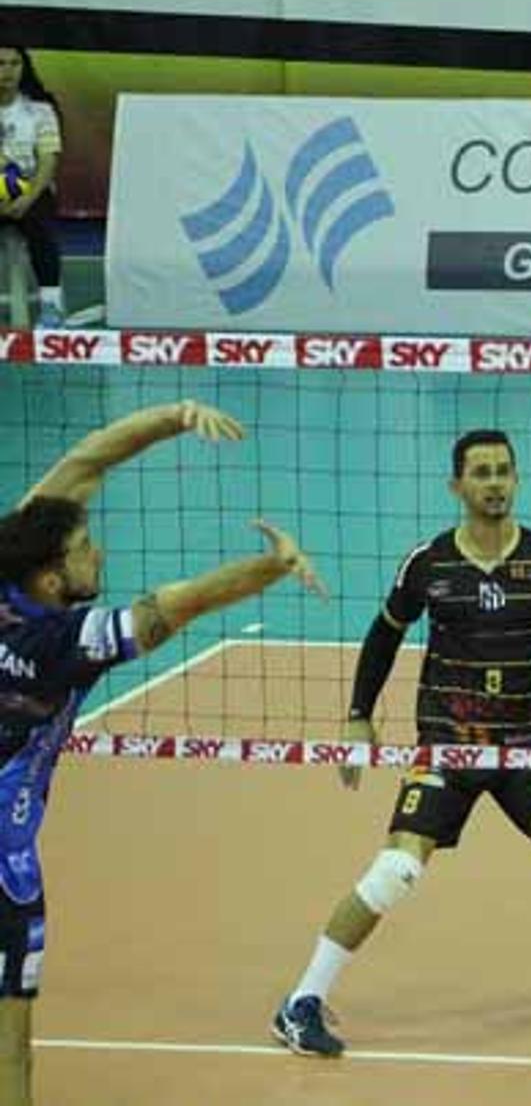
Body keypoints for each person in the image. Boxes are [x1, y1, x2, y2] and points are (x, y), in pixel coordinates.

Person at [272, 430, 531, 1057]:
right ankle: (301, 1003)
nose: (495, 483)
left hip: (523, 741)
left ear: (516, 479)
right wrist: (358, 716)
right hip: (450, 743)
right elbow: (383, 638)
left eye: (504, 471)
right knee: (396, 870)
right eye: (481, 473)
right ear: (456, 485)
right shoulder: (429, 564)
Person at [0, 400, 322, 1104]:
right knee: (13, 1046)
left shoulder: (10, 563)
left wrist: (175, 415)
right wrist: (272, 566)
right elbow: (178, 606)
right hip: (4, 862)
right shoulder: (60, 644)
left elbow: (86, 461)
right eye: (87, 548)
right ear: (53, 578)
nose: (101, 552)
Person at [0, 47, 67, 327]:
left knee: (41, 228)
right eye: (1, 63)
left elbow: (48, 161)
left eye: (15, 63)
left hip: (32, 191)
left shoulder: (40, 111)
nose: (8, 70)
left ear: (24, 69)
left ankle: (51, 307)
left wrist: (26, 199)